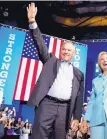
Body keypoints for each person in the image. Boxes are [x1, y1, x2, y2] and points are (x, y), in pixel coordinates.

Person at [26, 3, 84, 139]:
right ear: (60, 51)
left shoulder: (79, 74)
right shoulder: (50, 60)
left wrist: (76, 117)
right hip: (47, 104)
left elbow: (79, 98)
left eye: (69, 50)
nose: (66, 51)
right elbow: (40, 44)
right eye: (64, 49)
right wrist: (32, 22)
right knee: (39, 135)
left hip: (65, 109)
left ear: (74, 53)